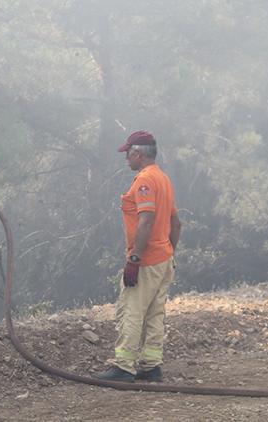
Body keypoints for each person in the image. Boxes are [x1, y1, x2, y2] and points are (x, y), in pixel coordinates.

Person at [96, 130, 181, 382]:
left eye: (128, 154)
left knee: (132, 311)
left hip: (146, 260)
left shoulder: (144, 181)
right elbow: (176, 224)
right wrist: (169, 255)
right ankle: (151, 366)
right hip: (163, 258)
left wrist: (135, 259)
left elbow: (145, 222)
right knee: (155, 313)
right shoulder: (163, 179)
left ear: (137, 153)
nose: (126, 160)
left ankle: (124, 366)